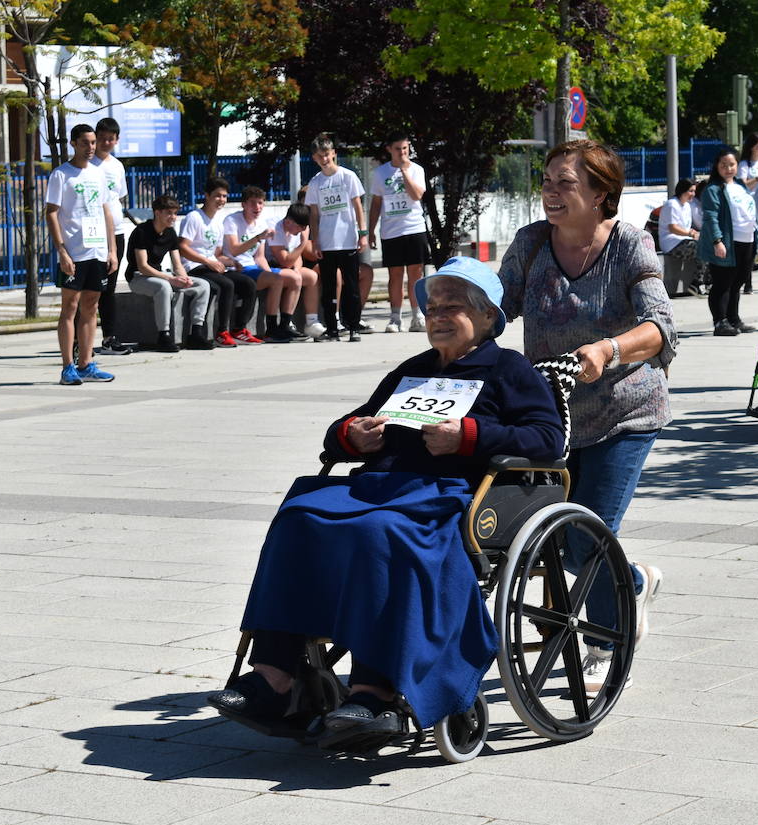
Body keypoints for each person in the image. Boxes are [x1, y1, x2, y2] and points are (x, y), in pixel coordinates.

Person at [209, 258, 564, 738]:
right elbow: (344, 430)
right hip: (381, 487)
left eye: (452, 307)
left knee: (379, 533)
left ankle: (374, 692)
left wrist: (469, 436)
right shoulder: (414, 370)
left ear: (486, 317)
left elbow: (546, 439)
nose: (437, 315)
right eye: (433, 307)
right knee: (298, 518)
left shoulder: (508, 368)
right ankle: (275, 676)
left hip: (451, 495)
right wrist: (355, 435)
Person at [499, 139, 673, 693]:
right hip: (549, 414)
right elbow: (496, 307)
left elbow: (659, 326)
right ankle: (633, 583)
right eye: (547, 180)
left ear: (600, 194)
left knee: (589, 533)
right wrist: (459, 316)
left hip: (625, 409)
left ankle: (604, 638)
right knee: (556, 537)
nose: (551, 191)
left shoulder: (629, 245)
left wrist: (608, 351)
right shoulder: (530, 245)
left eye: (565, 183)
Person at [46, 123, 118, 385]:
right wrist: (62, 250)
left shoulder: (98, 174)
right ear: (74, 144)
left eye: (93, 143)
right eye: (86, 143)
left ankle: (86, 362)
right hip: (73, 252)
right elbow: (51, 212)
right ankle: (68, 366)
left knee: (91, 306)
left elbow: (106, 211)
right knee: (70, 307)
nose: (91, 148)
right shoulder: (61, 175)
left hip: (97, 250)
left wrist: (112, 250)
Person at [179, 177, 263, 347]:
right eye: (217, 196)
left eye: (224, 196)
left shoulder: (218, 222)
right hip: (194, 267)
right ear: (207, 195)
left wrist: (231, 262)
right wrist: (207, 261)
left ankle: (239, 330)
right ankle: (221, 333)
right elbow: (182, 247)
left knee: (248, 283)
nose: (221, 200)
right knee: (226, 285)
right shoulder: (194, 217)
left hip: (211, 266)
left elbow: (216, 254)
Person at [125, 194, 213, 351]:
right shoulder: (142, 232)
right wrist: (170, 279)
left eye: (175, 213)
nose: (173, 217)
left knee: (203, 285)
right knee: (163, 287)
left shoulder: (170, 233)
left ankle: (196, 333)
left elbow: (177, 264)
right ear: (157, 213)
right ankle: (163, 335)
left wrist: (184, 279)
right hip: (138, 278)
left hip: (160, 276)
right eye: (169, 213)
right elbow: (143, 266)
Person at [305, 133, 369, 341]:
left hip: (348, 239)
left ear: (333, 153)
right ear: (314, 158)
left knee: (351, 287)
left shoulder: (347, 176)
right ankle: (332, 328)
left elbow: (358, 206)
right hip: (326, 241)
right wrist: (315, 241)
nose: (324, 159)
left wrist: (363, 234)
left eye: (326, 154)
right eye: (319, 156)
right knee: (329, 289)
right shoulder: (315, 183)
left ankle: (354, 327)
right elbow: (314, 214)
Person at [224, 186, 302, 342]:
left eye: (260, 203)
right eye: (252, 203)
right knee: (277, 280)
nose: (257, 207)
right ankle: (271, 329)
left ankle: (285, 325)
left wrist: (269, 273)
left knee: (295, 278)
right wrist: (258, 238)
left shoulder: (260, 224)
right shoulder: (232, 220)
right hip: (236, 268)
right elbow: (234, 250)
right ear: (243, 205)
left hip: (253, 267)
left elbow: (259, 257)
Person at [369, 134, 430, 334]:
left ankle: (417, 316)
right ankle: (395, 317)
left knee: (416, 274)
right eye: (398, 149)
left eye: (405, 148)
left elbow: (417, 195)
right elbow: (376, 204)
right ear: (389, 149)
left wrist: (404, 172)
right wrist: (370, 230)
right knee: (395, 275)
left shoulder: (417, 170)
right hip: (391, 231)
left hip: (414, 227)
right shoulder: (380, 173)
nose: (402, 152)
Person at [700, 147, 758, 336]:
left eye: (732, 164)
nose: (728, 168)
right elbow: (710, 217)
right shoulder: (713, 189)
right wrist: (717, 240)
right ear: (717, 166)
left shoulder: (740, 185)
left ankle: (734, 319)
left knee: (738, 282)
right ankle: (720, 321)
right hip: (727, 242)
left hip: (746, 239)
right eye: (724, 165)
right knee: (722, 283)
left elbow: (749, 211)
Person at [90, 117, 133, 356]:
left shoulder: (117, 166)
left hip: (116, 234)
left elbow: (119, 197)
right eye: (102, 138)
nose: (106, 142)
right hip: (93, 235)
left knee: (110, 289)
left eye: (111, 139)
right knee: (90, 290)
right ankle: (80, 341)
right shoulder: (87, 164)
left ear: (117, 140)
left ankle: (110, 337)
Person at [267, 203, 323, 339]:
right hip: (269, 266)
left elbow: (296, 259)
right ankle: (284, 324)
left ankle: (311, 322)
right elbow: (284, 260)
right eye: (301, 227)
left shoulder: (295, 230)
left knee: (311, 276)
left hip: (286, 267)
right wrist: (303, 243)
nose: (303, 230)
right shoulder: (275, 228)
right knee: (295, 278)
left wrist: (296, 269)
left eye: (305, 227)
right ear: (288, 222)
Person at [658, 179, 701, 297]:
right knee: (701, 248)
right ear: (682, 190)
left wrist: (694, 234)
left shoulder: (687, 206)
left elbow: (686, 227)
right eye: (690, 191)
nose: (693, 194)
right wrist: (690, 234)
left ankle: (700, 282)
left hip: (683, 240)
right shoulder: (672, 204)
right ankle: (696, 282)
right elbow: (673, 228)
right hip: (671, 242)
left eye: (694, 191)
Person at [737, 132, 758, 295]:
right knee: (752, 246)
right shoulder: (744, 165)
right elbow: (743, 186)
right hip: (749, 212)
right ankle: (747, 282)